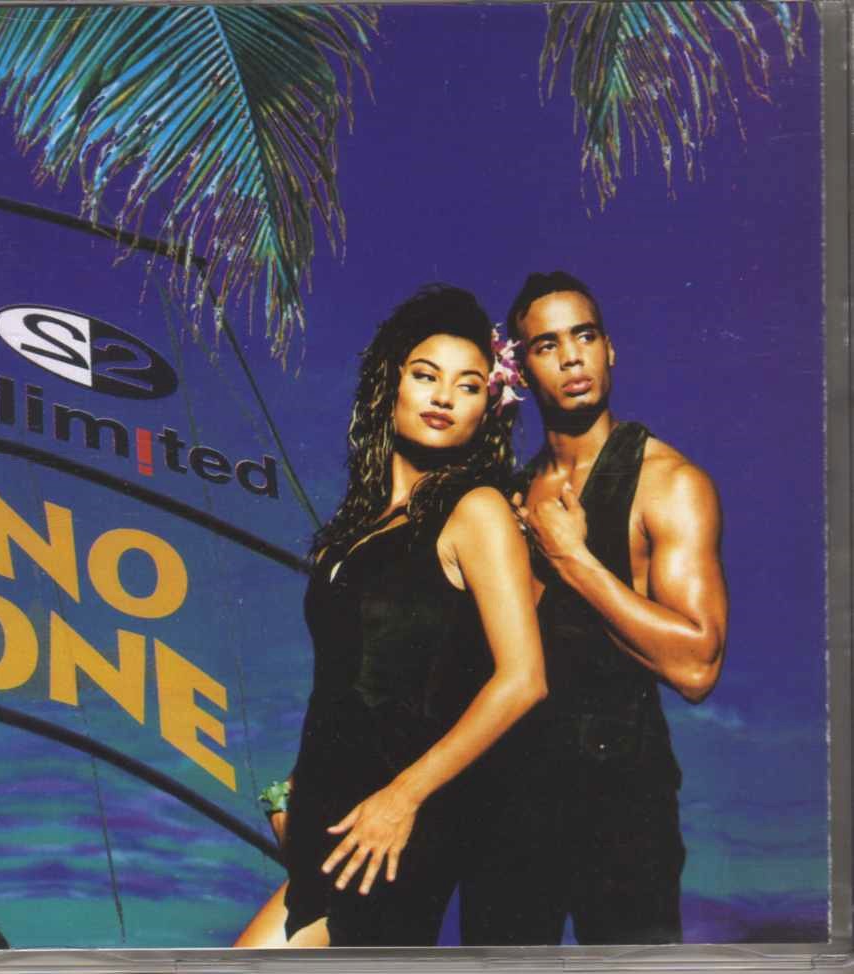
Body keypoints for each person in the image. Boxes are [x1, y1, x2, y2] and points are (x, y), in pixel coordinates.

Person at [235, 285, 547, 947]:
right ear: (391, 385)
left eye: (468, 385)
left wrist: (403, 798)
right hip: (329, 821)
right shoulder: (359, 526)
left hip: (395, 828)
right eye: (426, 375)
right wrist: (286, 796)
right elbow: (346, 680)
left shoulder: (477, 511)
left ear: (486, 409)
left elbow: (523, 679)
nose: (444, 397)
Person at [459, 271, 728, 946]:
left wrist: (572, 559)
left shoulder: (669, 484)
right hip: (508, 799)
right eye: (546, 345)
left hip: (622, 800)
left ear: (609, 349)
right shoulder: (507, 496)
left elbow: (698, 666)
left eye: (583, 336)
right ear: (520, 371)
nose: (572, 357)